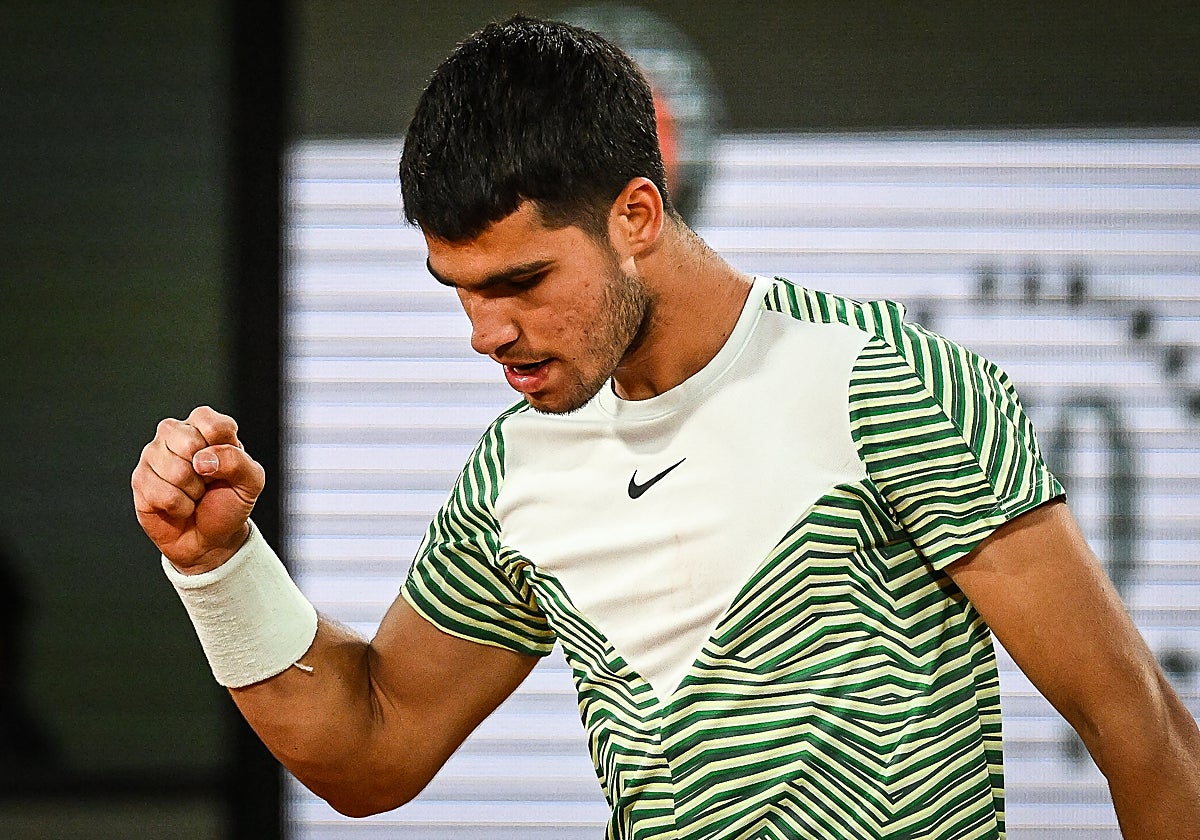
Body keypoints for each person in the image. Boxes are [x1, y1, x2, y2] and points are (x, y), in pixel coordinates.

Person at [131, 14, 1200, 840]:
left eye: (521, 280)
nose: (485, 333)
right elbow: (371, 750)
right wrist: (218, 566)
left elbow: (1141, 734)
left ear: (636, 216)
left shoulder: (884, 384)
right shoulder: (517, 472)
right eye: (456, 289)